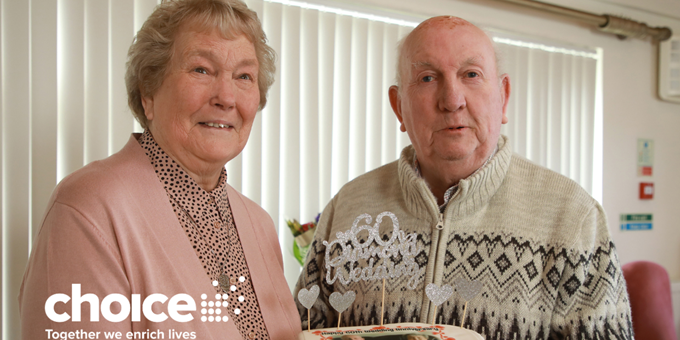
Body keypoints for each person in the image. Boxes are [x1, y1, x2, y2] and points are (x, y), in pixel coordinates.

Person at [294, 16, 633, 339]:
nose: (452, 100)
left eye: (471, 74)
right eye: (427, 78)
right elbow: (302, 329)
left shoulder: (573, 217)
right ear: (399, 107)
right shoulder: (347, 208)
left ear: (503, 98)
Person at [19, 0, 300, 339]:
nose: (227, 97)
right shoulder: (87, 210)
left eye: (244, 76)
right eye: (201, 70)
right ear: (148, 92)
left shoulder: (259, 225)